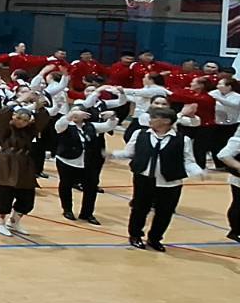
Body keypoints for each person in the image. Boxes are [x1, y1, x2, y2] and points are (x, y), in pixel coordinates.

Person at [112, 106, 205, 251]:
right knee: (139, 209)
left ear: (166, 121)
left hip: (170, 182)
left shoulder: (182, 139)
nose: (151, 120)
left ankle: (155, 238)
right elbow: (129, 152)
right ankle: (135, 235)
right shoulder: (140, 134)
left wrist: (198, 171)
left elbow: (188, 160)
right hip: (144, 179)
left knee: (164, 212)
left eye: (155, 118)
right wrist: (112, 154)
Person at [53, 101, 113, 224]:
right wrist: (71, 114)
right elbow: (60, 124)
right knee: (66, 185)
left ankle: (87, 213)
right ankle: (67, 209)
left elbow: (108, 126)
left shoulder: (90, 126)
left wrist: (112, 117)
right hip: (66, 161)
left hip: (87, 162)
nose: (76, 114)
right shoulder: (65, 125)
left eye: (79, 112)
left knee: (91, 187)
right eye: (73, 112)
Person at [0, 106, 39, 237]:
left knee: (27, 198)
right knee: (4, 194)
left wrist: (38, 107)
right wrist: (17, 103)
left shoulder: (30, 130)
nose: (21, 121)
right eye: (18, 118)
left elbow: (42, 120)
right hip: (7, 163)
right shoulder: (6, 128)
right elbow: (2, 116)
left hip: (25, 165)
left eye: (25, 120)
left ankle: (14, 221)